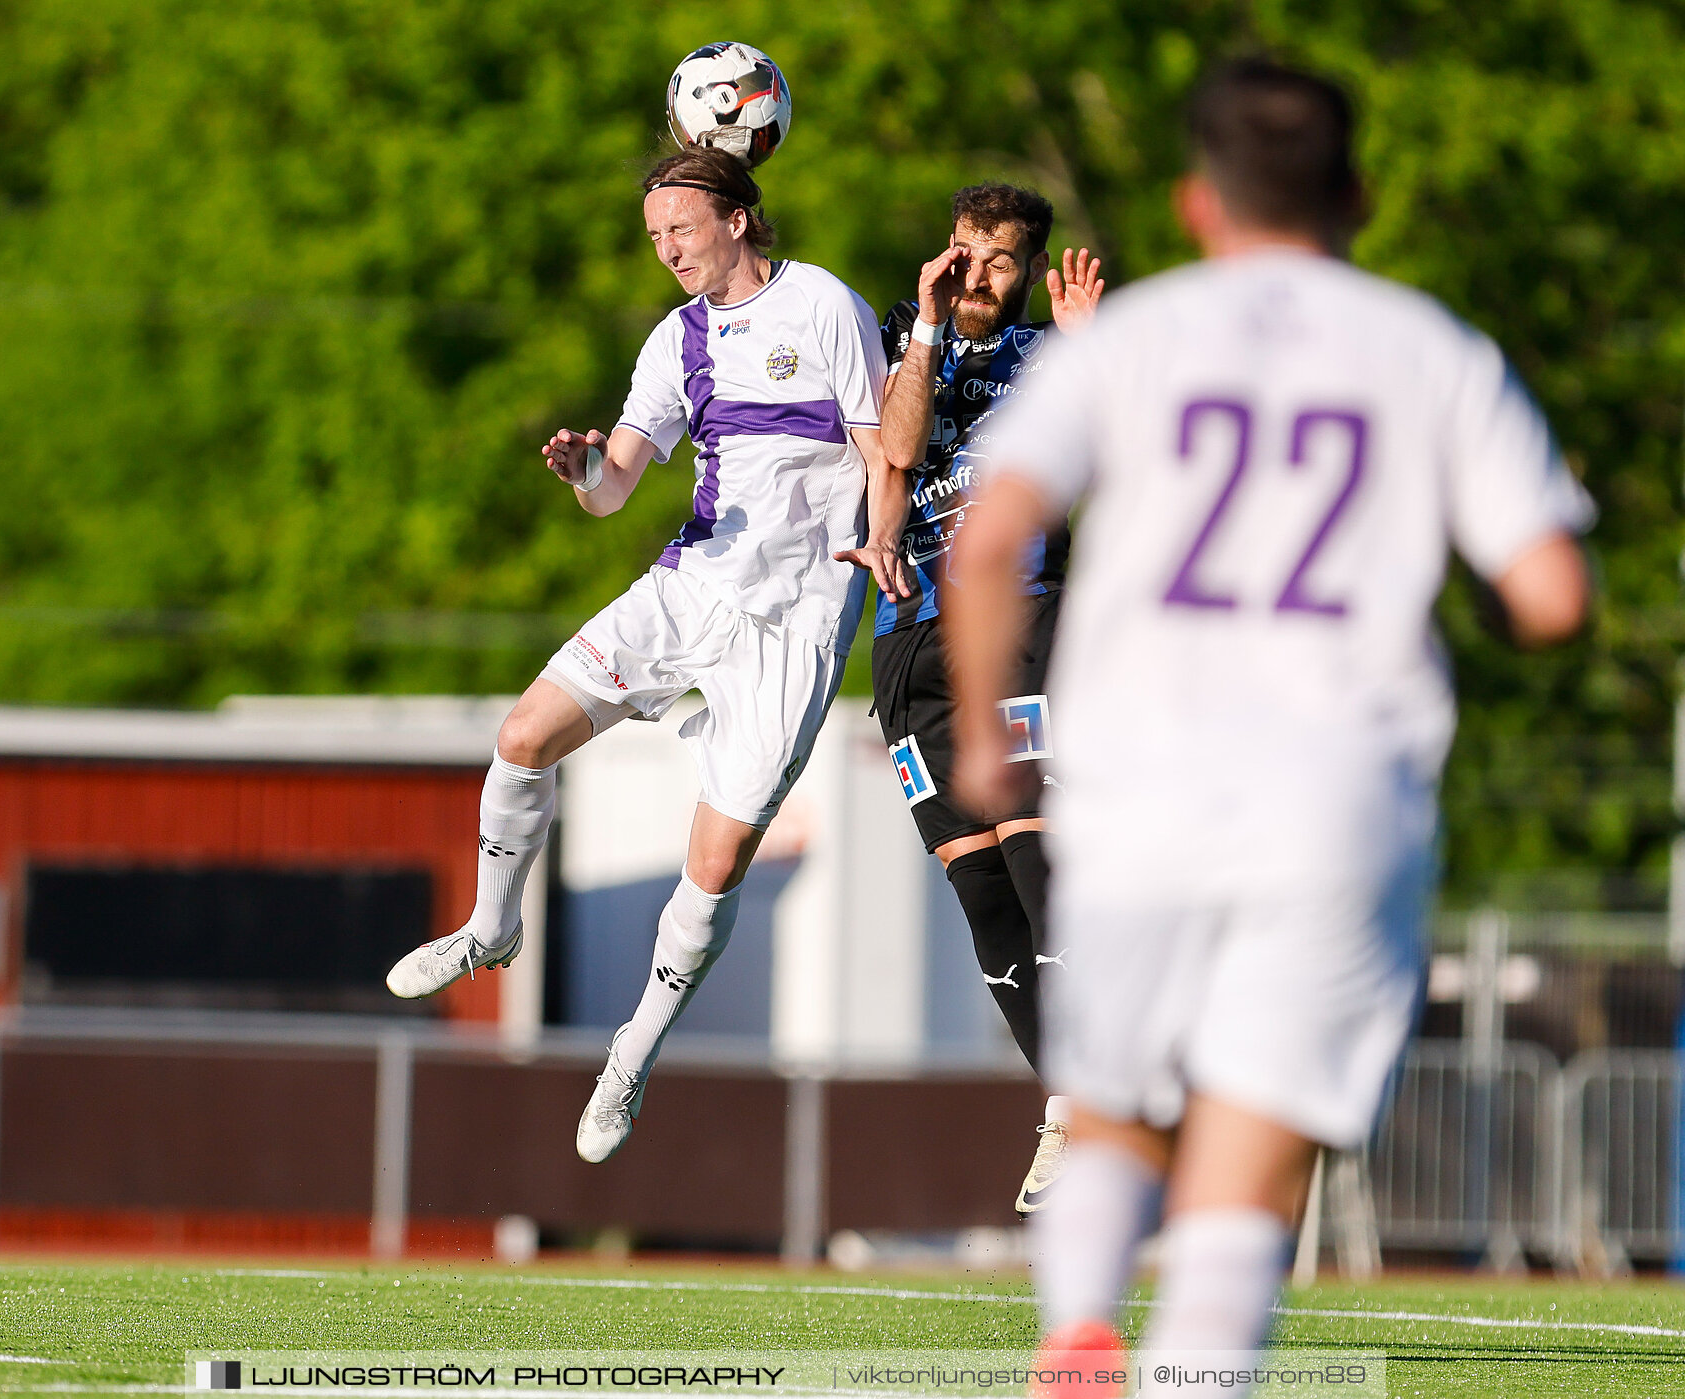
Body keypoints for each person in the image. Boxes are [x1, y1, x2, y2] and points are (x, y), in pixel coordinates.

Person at [944, 59, 1592, 1396]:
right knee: (1250, 1147)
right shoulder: (1430, 347)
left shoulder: (1135, 336)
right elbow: (1552, 591)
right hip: (1336, 794)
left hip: (1139, 781)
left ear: (1194, 201)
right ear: (1357, 191)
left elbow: (989, 536)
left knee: (1115, 1110)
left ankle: (1075, 1329)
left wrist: (976, 735)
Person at [386, 147, 907, 1165]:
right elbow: (616, 488)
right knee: (523, 735)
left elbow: (880, 448)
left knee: (713, 866)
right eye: (654, 237)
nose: (666, 251)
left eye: (680, 229)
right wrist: (585, 473)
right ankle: (492, 926)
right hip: (689, 589)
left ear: (740, 217)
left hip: (794, 624)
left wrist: (881, 540)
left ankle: (627, 1061)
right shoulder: (678, 342)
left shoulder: (826, 308)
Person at [870, 183, 1102, 1214]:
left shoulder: (1052, 355)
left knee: (1033, 845)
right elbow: (899, 448)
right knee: (977, 887)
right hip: (906, 640)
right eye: (962, 249)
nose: (974, 273)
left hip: (1012, 616)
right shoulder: (891, 335)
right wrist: (924, 328)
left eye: (998, 260)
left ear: (1026, 269)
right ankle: (1067, 1103)